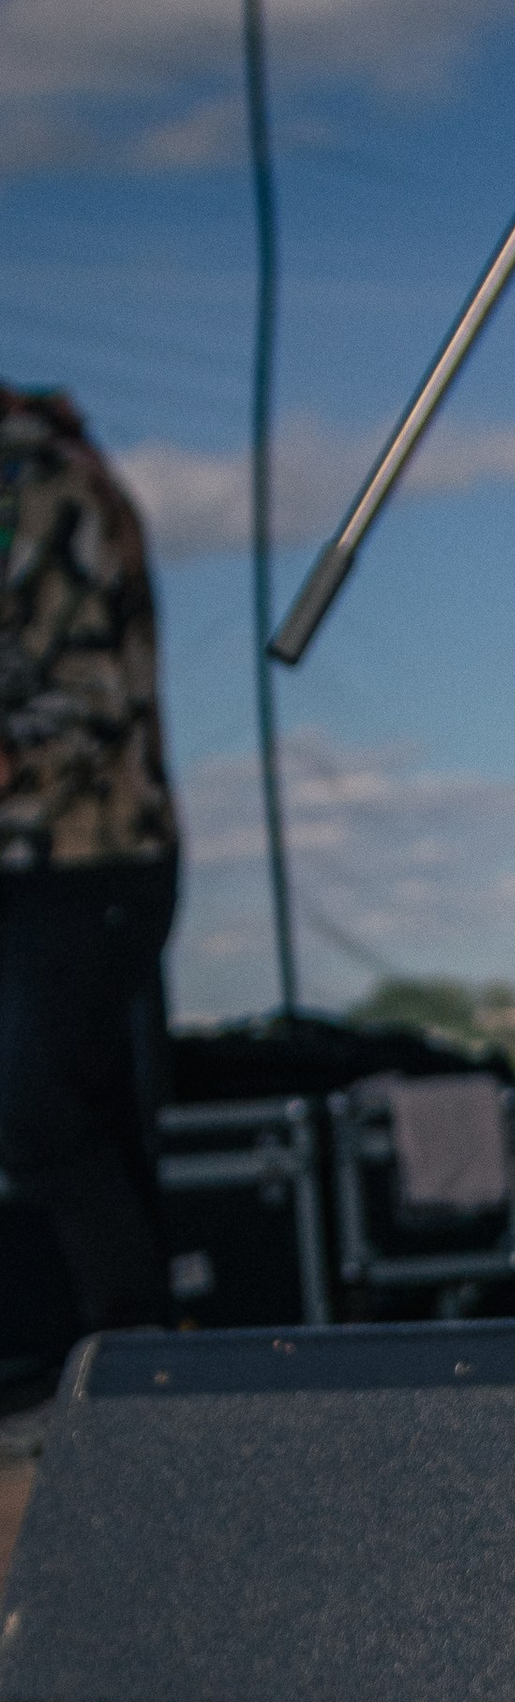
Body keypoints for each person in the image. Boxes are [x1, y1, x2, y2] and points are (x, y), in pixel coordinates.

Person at [0, 383, 176, 1335]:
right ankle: (123, 1370)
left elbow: (86, 701)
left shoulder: (47, 489)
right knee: (85, 1110)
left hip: (89, 861)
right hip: (38, 866)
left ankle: (128, 1353)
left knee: (39, 1112)